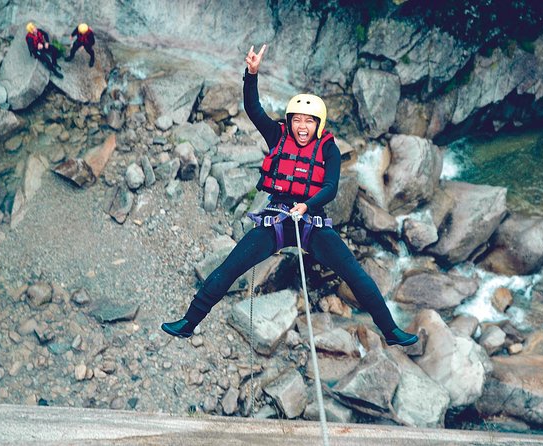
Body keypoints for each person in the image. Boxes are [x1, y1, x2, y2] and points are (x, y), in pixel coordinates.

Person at [161, 44, 418, 347]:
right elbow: (254, 108)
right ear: (290, 120)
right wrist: (251, 74)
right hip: (277, 220)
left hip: (313, 224)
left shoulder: (328, 149)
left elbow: (331, 188)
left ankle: (390, 331)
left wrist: (306, 206)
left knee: (357, 276)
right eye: (297, 119)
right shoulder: (277, 135)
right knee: (228, 268)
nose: (302, 126)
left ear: (318, 124)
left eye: (309, 121)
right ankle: (189, 323)